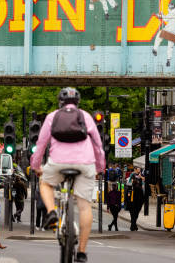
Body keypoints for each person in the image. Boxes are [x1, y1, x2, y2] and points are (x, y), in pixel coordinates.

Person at [31, 87, 105, 263]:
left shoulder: (52, 117)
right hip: (85, 163)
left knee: (45, 183)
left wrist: (36, 166)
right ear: (78, 102)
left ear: (60, 102)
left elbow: (41, 144)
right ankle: (81, 252)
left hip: (58, 162)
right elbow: (98, 145)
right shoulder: (86, 117)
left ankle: (51, 212)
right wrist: (100, 167)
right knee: (85, 206)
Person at [152, 2, 175, 67]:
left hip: (170, 30)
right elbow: (167, 18)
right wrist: (161, 15)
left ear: (170, 8)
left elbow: (165, 18)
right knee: (170, 46)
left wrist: (160, 15)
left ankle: (155, 49)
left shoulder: (173, 12)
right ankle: (168, 60)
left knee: (159, 35)